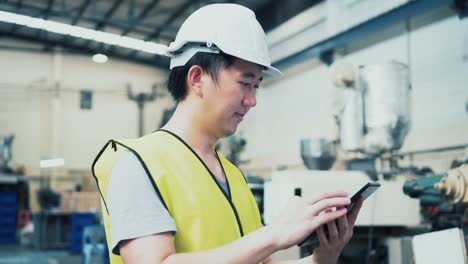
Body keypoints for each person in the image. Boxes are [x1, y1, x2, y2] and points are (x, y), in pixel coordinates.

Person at [92, 3, 363, 264]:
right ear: (197, 79)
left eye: (256, 86)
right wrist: (274, 234)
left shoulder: (233, 176)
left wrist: (320, 258)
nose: (252, 100)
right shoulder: (137, 163)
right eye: (245, 83)